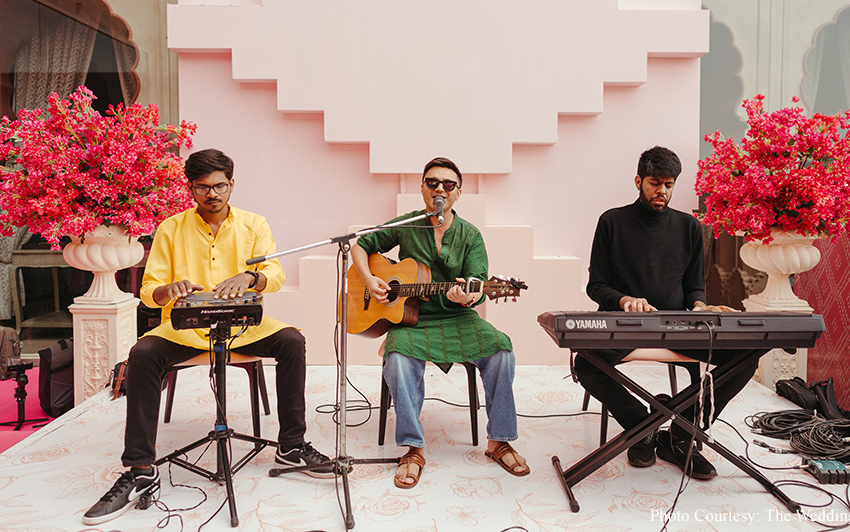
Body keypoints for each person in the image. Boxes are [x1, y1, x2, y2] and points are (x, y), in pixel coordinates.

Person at [83, 149, 331, 525]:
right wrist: (171, 289)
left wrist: (250, 278)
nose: (212, 194)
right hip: (186, 327)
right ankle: (141, 470)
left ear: (232, 184)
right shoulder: (171, 227)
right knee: (143, 351)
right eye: (203, 188)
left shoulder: (254, 224)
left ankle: (291, 447)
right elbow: (150, 290)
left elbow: (275, 273)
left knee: (292, 341)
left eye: (219, 186)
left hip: (243, 326)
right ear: (190, 188)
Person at [574, 145, 754, 480]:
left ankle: (682, 433)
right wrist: (625, 300)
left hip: (676, 325)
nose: (663, 191)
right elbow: (596, 286)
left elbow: (694, 288)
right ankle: (643, 426)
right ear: (638, 181)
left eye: (669, 184)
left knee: (745, 358)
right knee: (586, 365)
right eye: (655, 182)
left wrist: (700, 305)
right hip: (623, 324)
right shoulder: (612, 221)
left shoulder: (689, 227)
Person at [351, 157, 529, 489]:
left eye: (448, 185)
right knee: (398, 360)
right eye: (432, 183)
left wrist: (470, 295)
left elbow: (477, 284)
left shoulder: (470, 234)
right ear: (422, 188)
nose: (440, 190)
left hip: (458, 315)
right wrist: (370, 279)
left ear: (458, 193)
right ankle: (413, 448)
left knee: (502, 350)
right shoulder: (408, 223)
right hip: (412, 320)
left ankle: (499, 440)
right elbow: (361, 245)